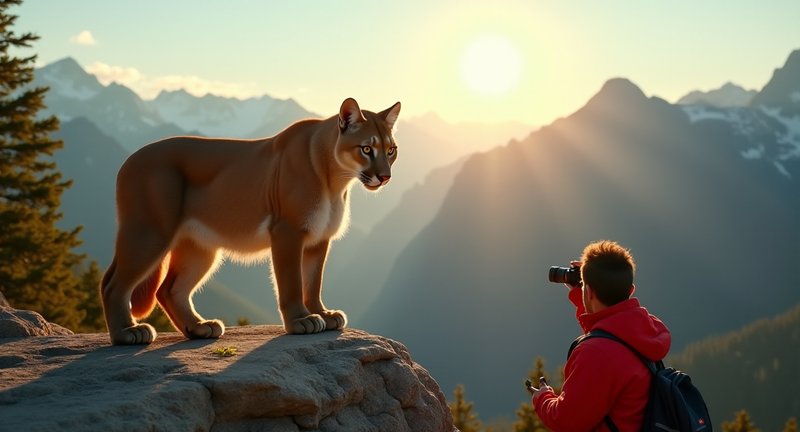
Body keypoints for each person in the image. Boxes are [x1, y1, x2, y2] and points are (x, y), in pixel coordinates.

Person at [530, 240, 671, 431]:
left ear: (588, 292)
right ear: (631, 290)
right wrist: (583, 299)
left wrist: (542, 398)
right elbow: (610, 338)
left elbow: (566, 421)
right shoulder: (645, 331)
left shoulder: (597, 353)